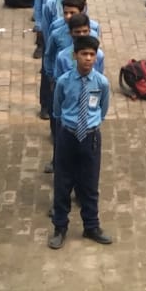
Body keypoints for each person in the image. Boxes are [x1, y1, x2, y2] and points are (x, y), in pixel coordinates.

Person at [49, 35, 111, 250]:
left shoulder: (101, 83)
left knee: (90, 184)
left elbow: (103, 109)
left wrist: (92, 124)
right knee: (63, 183)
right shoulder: (64, 81)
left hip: (91, 136)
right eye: (84, 54)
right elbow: (57, 108)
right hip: (68, 134)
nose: (88, 59)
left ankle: (91, 226)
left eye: (92, 54)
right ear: (75, 55)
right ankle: (60, 227)